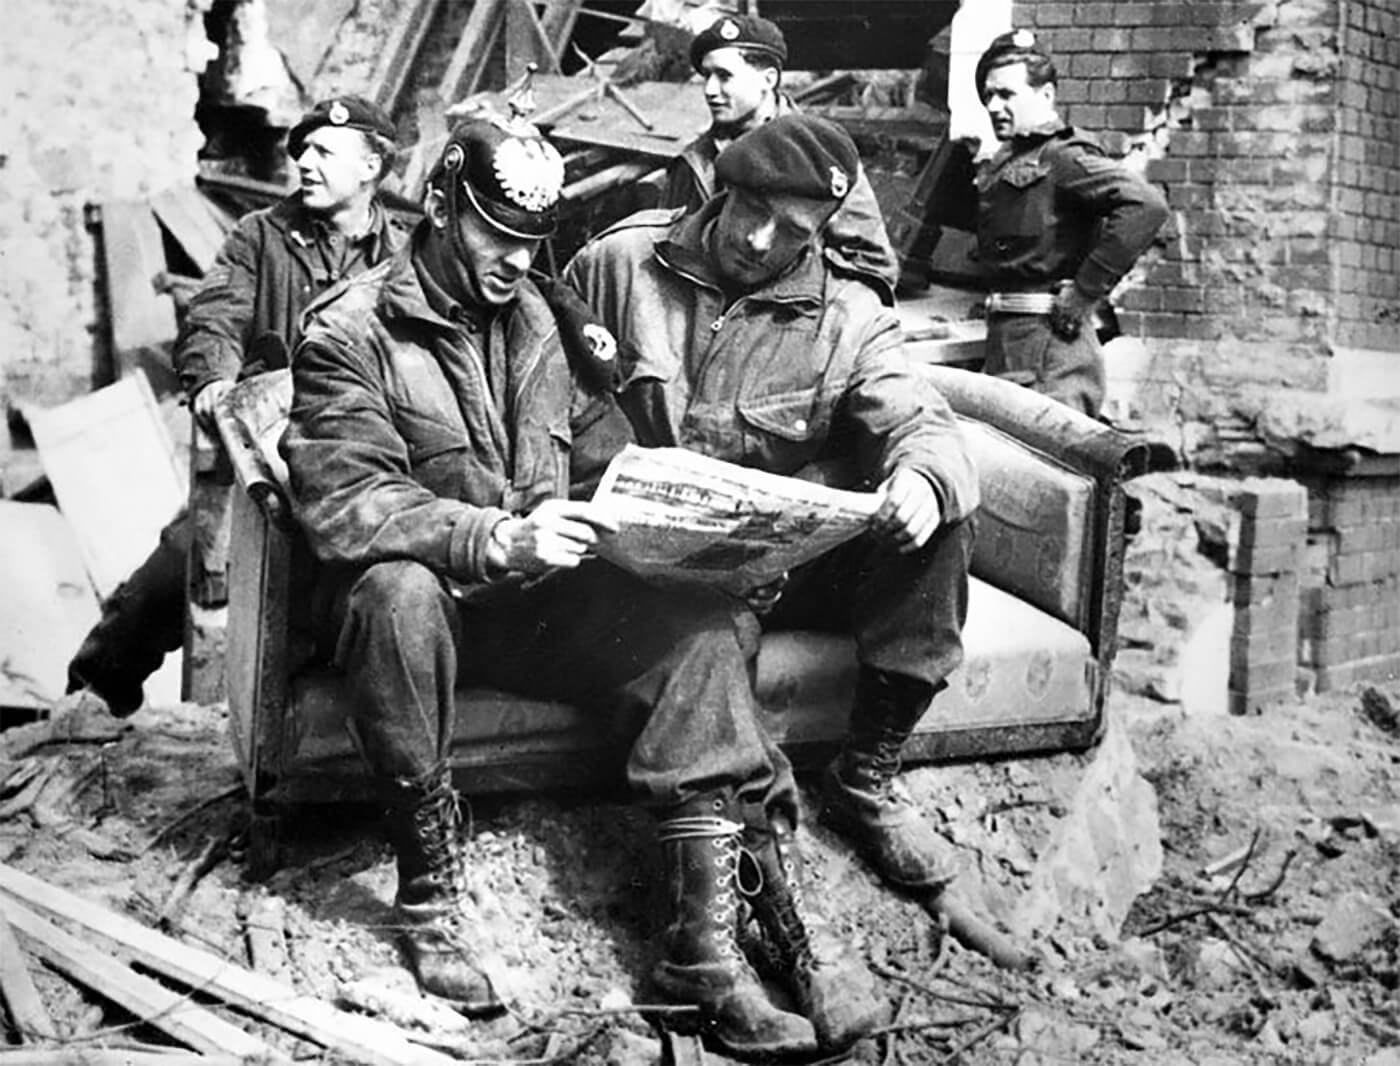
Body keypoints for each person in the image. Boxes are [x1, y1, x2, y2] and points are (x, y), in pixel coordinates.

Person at [280, 112, 881, 1057]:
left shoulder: (547, 319)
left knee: (702, 624)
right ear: (439, 204)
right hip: (432, 613)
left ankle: (706, 953)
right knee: (393, 591)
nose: (517, 259)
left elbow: (604, 453)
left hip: (542, 606)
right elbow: (347, 499)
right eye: (497, 234)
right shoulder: (351, 332)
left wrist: (678, 530)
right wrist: (495, 537)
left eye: (532, 240)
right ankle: (431, 897)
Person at [565, 113, 980, 916]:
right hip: (639, 560)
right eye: (750, 211)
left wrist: (924, 483)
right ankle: (739, 847)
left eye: (792, 231)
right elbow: (548, 386)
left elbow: (923, 423)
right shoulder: (621, 263)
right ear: (725, 188)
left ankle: (867, 777)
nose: (759, 241)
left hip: (776, 561)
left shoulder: (848, 316)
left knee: (939, 526)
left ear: (821, 230)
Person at [62, 95, 406, 717]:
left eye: (325, 152)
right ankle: (89, 699)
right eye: (301, 149)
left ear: (372, 167)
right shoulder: (260, 238)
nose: (305, 162)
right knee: (170, 575)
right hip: (264, 464)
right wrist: (216, 383)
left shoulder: (402, 260)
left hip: (358, 467)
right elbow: (215, 317)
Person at [973, 29, 1168, 417]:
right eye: (989, 96)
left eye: (1007, 94)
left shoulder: (1062, 157)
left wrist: (1084, 292)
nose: (994, 106)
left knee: (1046, 470)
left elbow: (1146, 205)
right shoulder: (1009, 162)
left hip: (1050, 349)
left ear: (1045, 95)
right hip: (1010, 343)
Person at [661, 13, 902, 303]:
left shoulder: (818, 160)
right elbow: (667, 249)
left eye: (724, 76)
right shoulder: (695, 161)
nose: (710, 90)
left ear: (769, 78)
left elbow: (874, 267)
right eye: (706, 76)